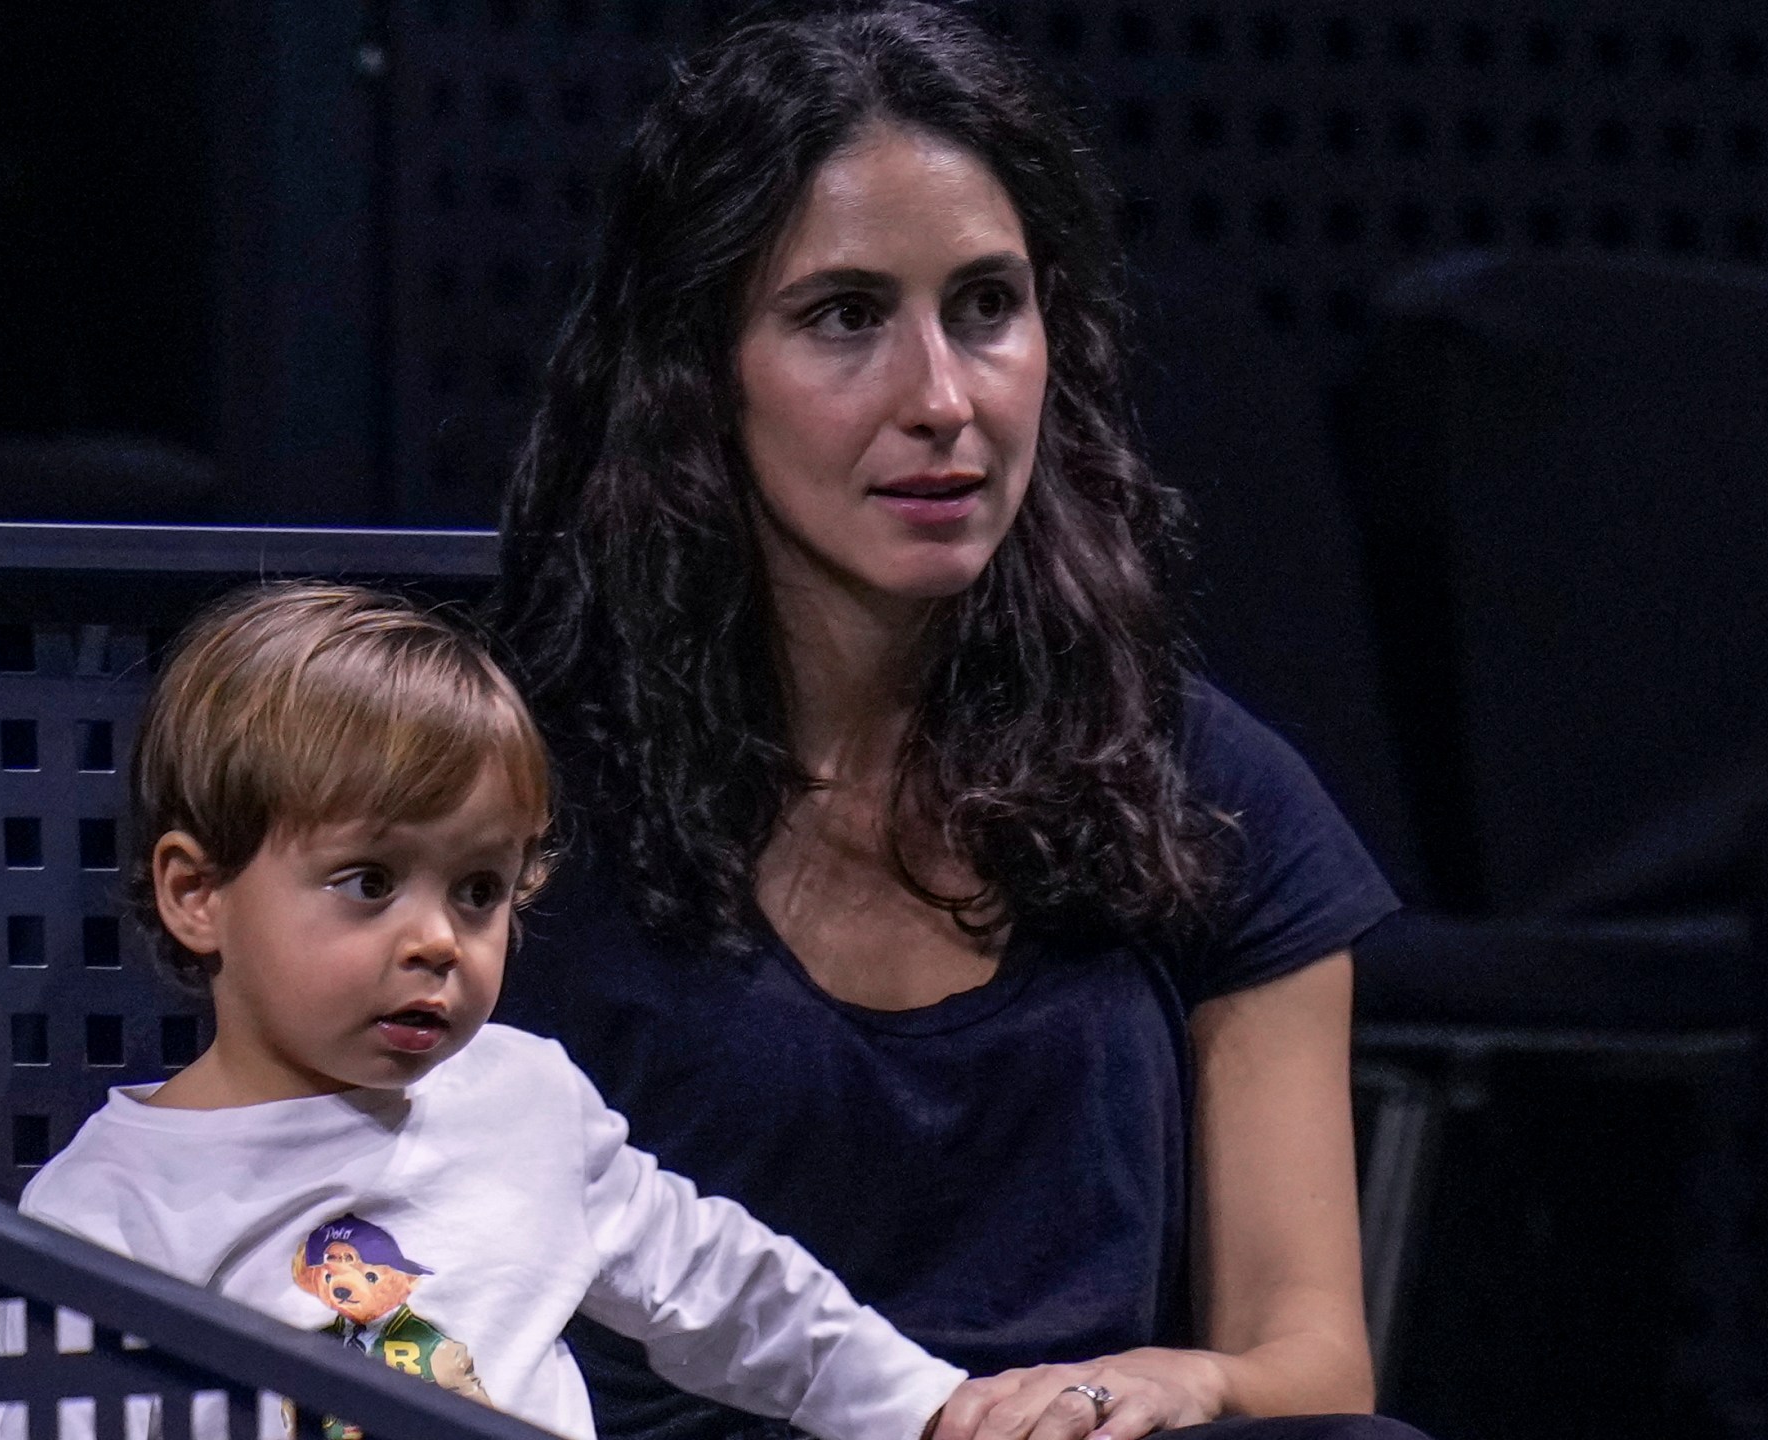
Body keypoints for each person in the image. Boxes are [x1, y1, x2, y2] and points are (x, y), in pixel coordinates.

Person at [489, 7, 1423, 1440]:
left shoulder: (1202, 788)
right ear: (697, 370)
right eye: (846, 317)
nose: (942, 399)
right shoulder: (513, 799)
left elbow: (1309, 1360)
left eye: (986, 308)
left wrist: (1181, 1380)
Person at [18, 583, 970, 1440]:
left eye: (479, 891)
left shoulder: (524, 1098)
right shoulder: (106, 1214)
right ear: (198, 893)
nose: (438, 939)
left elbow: (723, 1288)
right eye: (369, 880)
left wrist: (929, 1409)